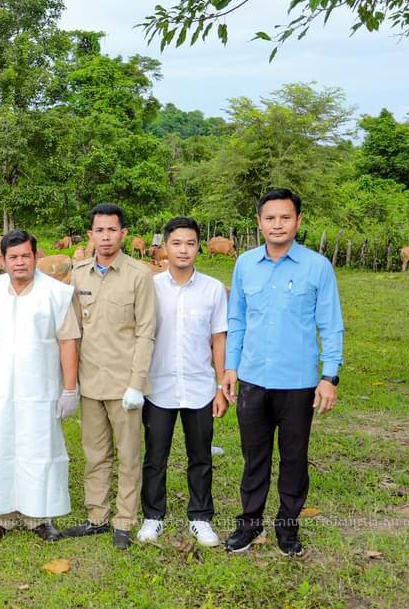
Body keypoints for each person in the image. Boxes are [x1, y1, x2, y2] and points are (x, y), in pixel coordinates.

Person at [221, 188, 344, 557]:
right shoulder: (245, 264)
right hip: (253, 379)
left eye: (285, 217)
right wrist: (230, 367)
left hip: (298, 383)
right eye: (270, 218)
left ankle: (287, 528)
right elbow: (237, 320)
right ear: (259, 222)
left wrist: (329, 376)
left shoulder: (317, 267)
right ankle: (249, 524)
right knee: (254, 457)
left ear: (298, 221)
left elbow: (331, 324)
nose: (277, 224)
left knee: (293, 459)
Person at [0, 230, 80, 543]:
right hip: (1, 388)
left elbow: (68, 342)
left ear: (35, 256)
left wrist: (69, 388)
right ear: (3, 260)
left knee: (40, 448)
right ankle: (1, 517)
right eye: (13, 257)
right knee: (0, 447)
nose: (20, 262)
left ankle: (39, 517)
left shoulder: (56, 294)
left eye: (25, 256)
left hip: (41, 388)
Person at [63, 203, 156, 550]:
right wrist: (70, 381)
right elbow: (72, 330)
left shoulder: (139, 275)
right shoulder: (78, 274)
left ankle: (124, 520)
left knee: (128, 455)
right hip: (90, 382)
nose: (105, 237)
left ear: (123, 234)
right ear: (90, 234)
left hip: (123, 384)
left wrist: (137, 383)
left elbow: (146, 332)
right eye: (99, 230)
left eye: (112, 230)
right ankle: (97, 516)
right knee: (95, 453)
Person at [137, 217, 229, 548]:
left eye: (190, 243)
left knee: (201, 455)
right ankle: (152, 516)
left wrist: (220, 386)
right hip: (157, 386)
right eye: (176, 243)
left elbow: (219, 338)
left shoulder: (213, 289)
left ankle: (200, 517)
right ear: (165, 247)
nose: (183, 250)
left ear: (198, 247)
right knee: (155, 456)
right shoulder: (150, 287)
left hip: (199, 385)